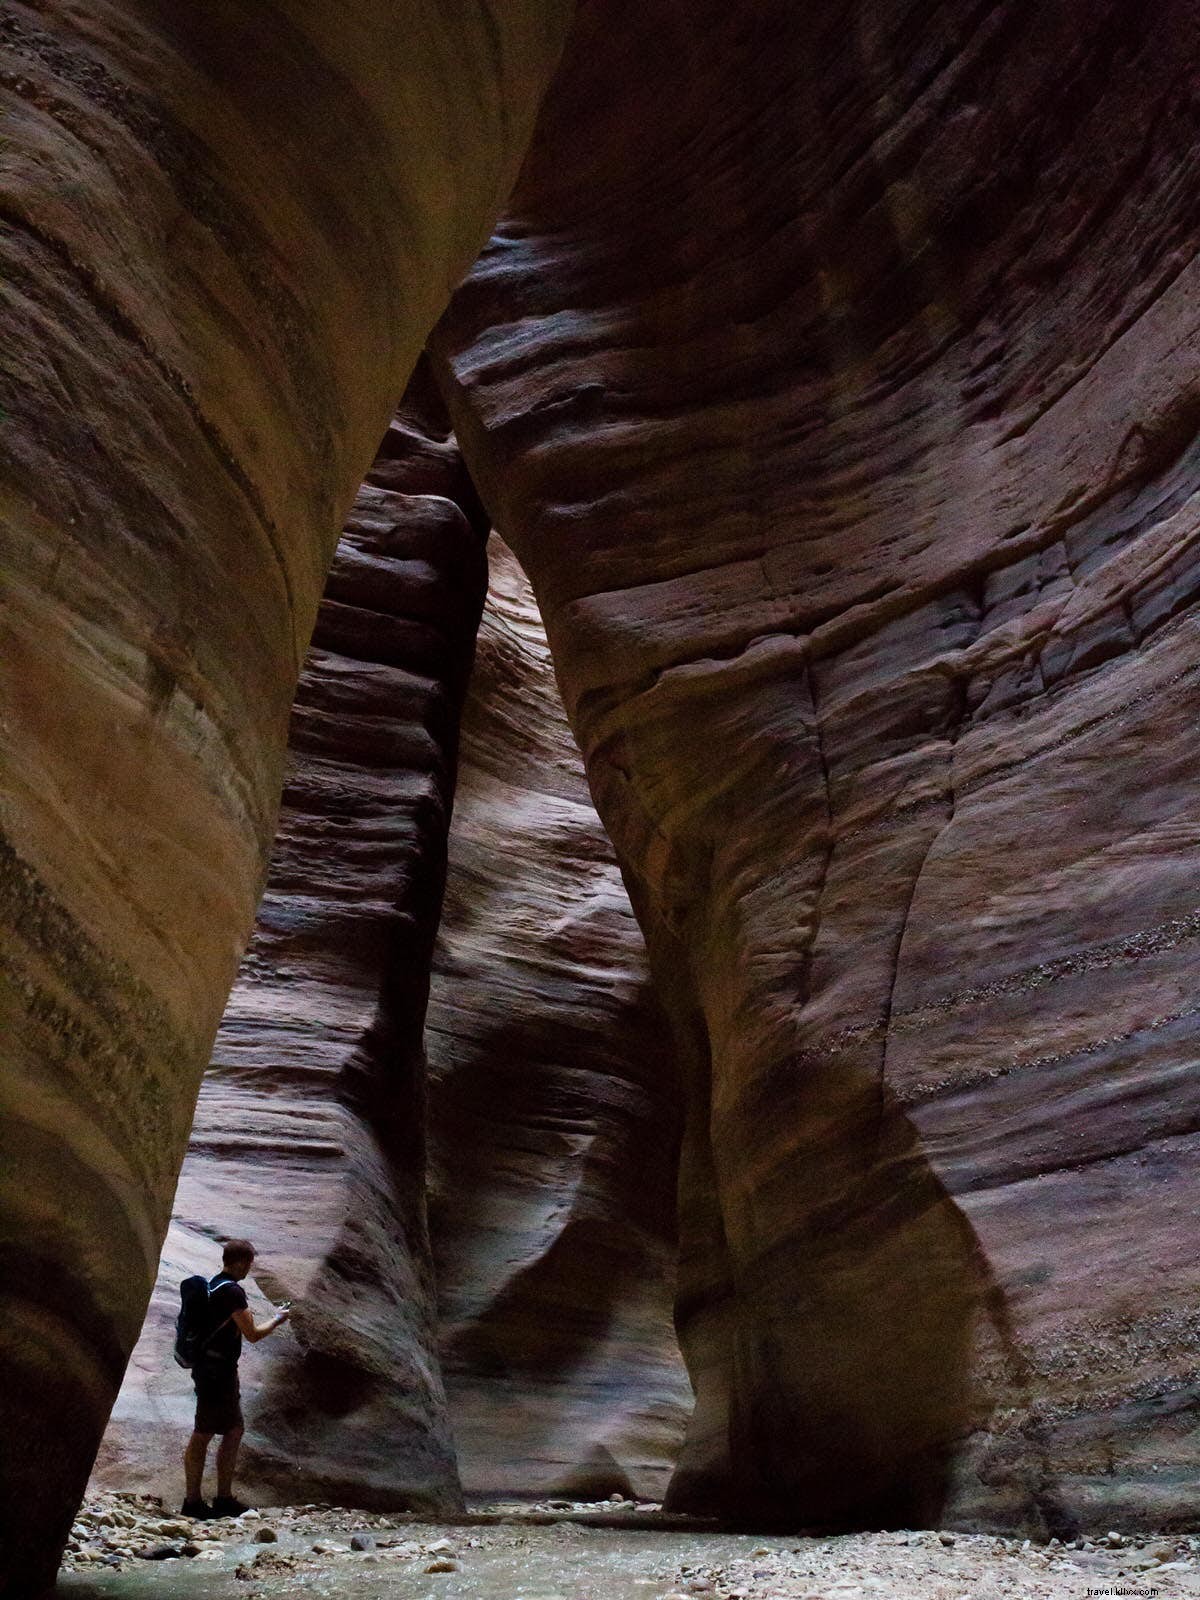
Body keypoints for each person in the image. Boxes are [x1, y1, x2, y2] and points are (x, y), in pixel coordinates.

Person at [181, 1238, 290, 1518]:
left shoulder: (213, 1284)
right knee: (204, 1433)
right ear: (241, 1262)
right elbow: (252, 1334)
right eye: (249, 1264)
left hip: (211, 1370)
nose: (248, 1270)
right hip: (217, 1374)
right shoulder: (231, 1292)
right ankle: (195, 1502)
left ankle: (221, 1498)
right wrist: (278, 1319)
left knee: (232, 1430)